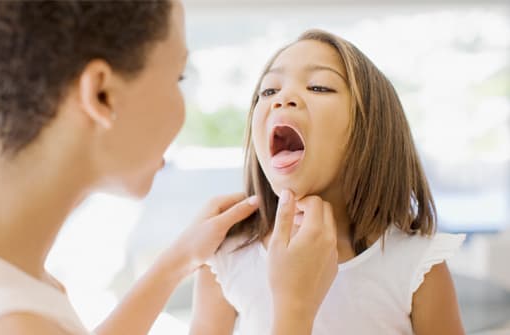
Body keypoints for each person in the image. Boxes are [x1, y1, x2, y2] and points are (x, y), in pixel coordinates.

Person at [0, 1, 338, 335]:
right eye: (178, 76)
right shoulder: (12, 324)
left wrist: (175, 262)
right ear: (102, 94)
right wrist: (293, 310)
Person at [190, 29, 466, 335]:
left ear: (371, 131)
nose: (283, 99)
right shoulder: (229, 255)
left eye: (319, 87)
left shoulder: (415, 265)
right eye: (268, 91)